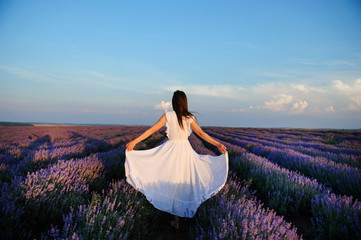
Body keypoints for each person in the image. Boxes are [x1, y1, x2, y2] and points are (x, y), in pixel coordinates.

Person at [125, 90, 228, 230]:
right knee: (183, 182)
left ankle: (175, 218)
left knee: (169, 180)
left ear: (173, 102)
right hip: (185, 151)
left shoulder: (168, 115)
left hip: (170, 151)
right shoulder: (189, 117)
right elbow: (201, 133)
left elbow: (151, 131)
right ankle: (180, 217)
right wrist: (217, 144)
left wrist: (134, 142)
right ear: (185, 102)